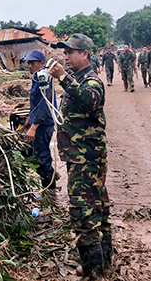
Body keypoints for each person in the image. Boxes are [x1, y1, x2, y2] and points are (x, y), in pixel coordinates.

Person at [47, 34, 112, 279]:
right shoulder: (79, 79)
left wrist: (62, 77)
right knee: (98, 208)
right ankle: (104, 265)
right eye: (64, 52)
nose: (66, 56)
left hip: (86, 160)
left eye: (70, 52)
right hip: (82, 158)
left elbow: (89, 101)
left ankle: (93, 272)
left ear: (84, 54)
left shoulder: (92, 80)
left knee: (84, 213)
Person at [24, 50, 58, 190]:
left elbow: (44, 104)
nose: (29, 66)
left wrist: (34, 126)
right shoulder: (37, 77)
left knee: (42, 157)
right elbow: (36, 102)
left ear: (42, 63)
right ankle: (50, 179)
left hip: (43, 124)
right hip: (40, 121)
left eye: (32, 63)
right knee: (38, 154)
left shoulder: (43, 78)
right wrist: (29, 118)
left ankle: (50, 191)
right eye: (28, 63)